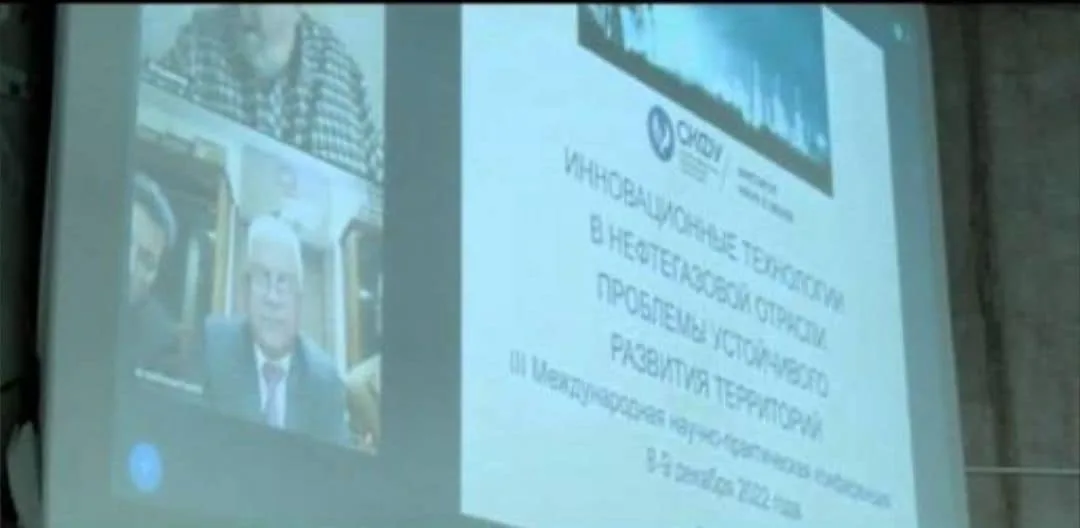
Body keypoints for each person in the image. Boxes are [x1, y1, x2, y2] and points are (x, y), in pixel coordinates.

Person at [152, 5, 383, 182]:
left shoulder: (344, 74)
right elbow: (146, 136)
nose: (244, 10)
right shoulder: (196, 44)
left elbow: (385, 187)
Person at [200, 214, 350, 446]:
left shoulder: (325, 382)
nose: (272, 297)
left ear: (299, 299)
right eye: (262, 278)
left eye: (284, 281)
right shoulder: (213, 346)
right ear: (245, 291)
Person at [120, 172, 186, 381]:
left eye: (146, 260)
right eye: (123, 241)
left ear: (154, 275)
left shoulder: (161, 343)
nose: (130, 267)